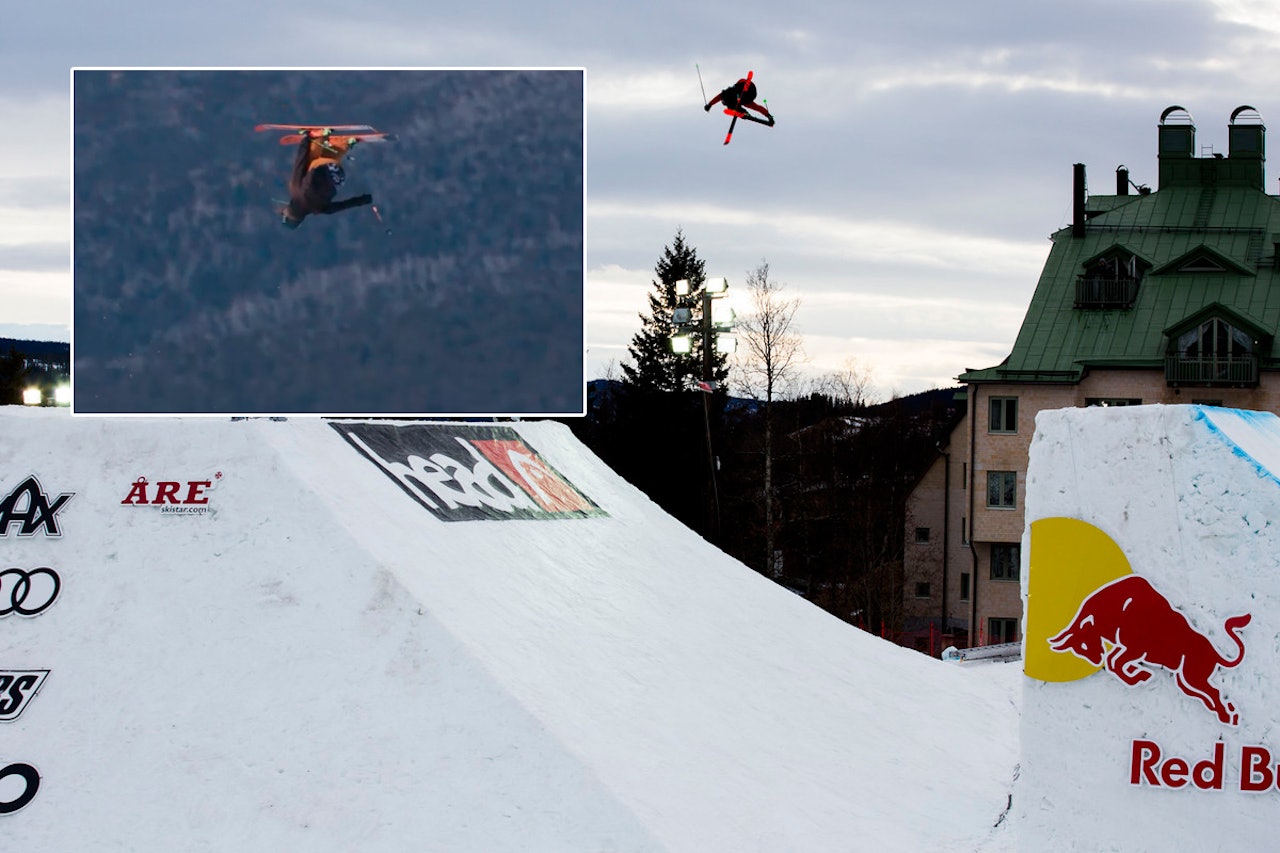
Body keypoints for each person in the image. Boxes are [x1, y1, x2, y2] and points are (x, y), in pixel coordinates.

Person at [280, 129, 374, 229]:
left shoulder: (319, 209)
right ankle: (317, 137)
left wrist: (365, 199)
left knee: (321, 166)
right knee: (310, 162)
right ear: (289, 213)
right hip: (324, 167)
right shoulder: (296, 190)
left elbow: (344, 205)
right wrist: (306, 140)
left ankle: (346, 142)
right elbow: (300, 163)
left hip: (338, 175)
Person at [704, 74, 773, 124]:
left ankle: (742, 111)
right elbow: (757, 107)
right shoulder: (746, 102)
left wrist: (709, 105)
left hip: (745, 86)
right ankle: (744, 113)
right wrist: (768, 115)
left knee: (731, 102)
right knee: (744, 105)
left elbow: (719, 97)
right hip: (751, 94)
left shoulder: (728, 94)